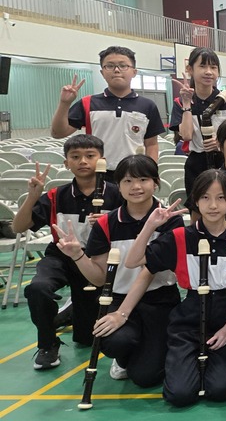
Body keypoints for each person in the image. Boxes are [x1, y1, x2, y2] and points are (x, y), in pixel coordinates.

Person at [124, 170, 226, 406]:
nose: (213, 205)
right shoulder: (180, 237)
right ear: (195, 200)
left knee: (220, 389)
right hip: (188, 323)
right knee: (180, 394)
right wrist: (150, 226)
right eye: (205, 197)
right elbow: (132, 261)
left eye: (221, 198)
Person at [62, 155, 182, 387]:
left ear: (156, 183)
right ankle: (125, 356)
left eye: (143, 179)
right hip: (118, 298)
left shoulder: (169, 220)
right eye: (127, 181)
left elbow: (149, 270)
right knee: (116, 341)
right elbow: (99, 278)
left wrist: (122, 315)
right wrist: (77, 255)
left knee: (146, 377)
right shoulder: (106, 223)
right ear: (118, 186)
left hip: (160, 300)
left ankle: (147, 351)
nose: (136, 186)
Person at [15, 135, 122, 370]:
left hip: (97, 260)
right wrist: (33, 196)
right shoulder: (56, 195)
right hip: (61, 256)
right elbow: (18, 227)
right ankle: (48, 344)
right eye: (75, 157)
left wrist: (109, 223)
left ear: (102, 161)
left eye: (90, 156)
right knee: (38, 288)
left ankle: (73, 311)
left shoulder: (118, 194)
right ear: (66, 163)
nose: (83, 161)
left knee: (87, 338)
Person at [50, 46, 165, 164]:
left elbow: (151, 144)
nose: (116, 70)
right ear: (102, 73)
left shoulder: (147, 106)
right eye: (110, 66)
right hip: (97, 170)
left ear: (134, 72)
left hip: (134, 171)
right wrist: (65, 103)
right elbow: (58, 133)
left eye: (123, 66)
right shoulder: (87, 103)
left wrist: (151, 171)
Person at [169, 47, 226, 196]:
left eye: (213, 67)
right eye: (202, 66)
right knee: (198, 204)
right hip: (196, 165)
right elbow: (186, 135)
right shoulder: (180, 102)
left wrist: (221, 143)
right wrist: (186, 104)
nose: (208, 72)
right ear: (190, 69)